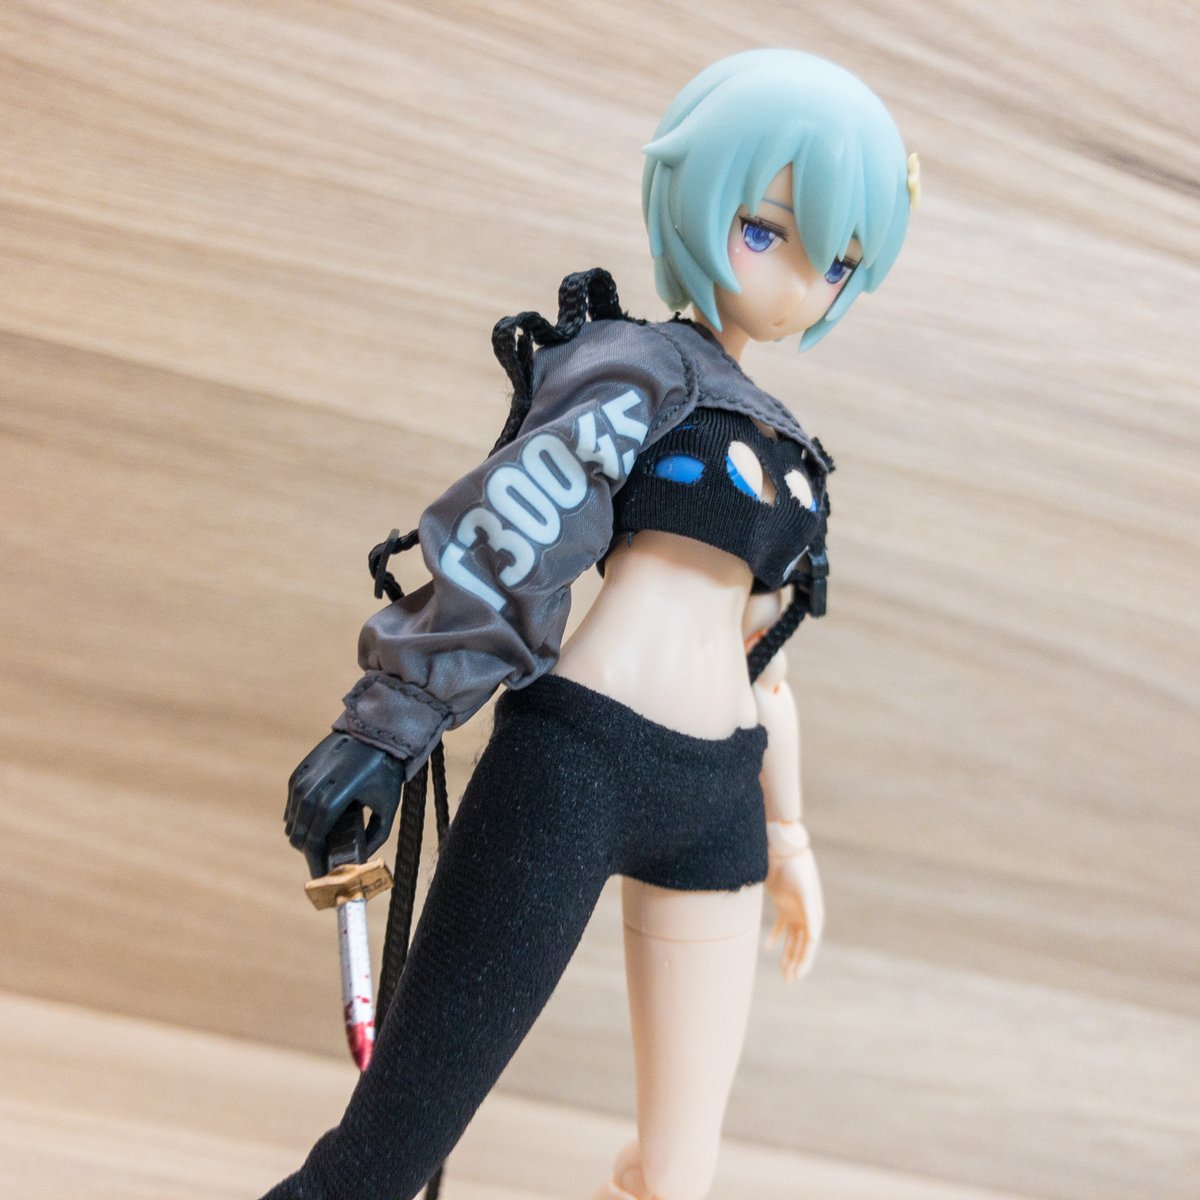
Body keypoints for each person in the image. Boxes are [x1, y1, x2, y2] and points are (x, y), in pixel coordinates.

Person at [269, 48, 915, 1200]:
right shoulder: (634, 371)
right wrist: (385, 728)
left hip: (720, 796)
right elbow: (511, 544)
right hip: (577, 770)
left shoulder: (793, 453)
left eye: (837, 260)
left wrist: (790, 837)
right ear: (695, 202)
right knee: (382, 1155)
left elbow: (763, 663)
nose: (798, 279)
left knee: (679, 1171)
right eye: (765, 232)